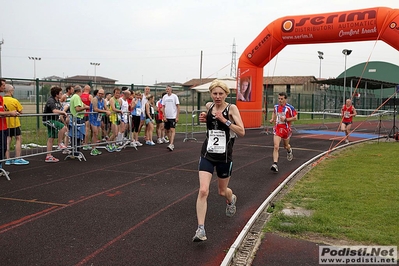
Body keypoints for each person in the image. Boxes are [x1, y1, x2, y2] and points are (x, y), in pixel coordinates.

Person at [192, 80, 245, 242]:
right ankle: (200, 229)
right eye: (214, 93)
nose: (217, 96)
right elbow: (210, 122)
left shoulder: (232, 109)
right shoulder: (209, 107)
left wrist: (225, 121)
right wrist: (204, 118)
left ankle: (231, 198)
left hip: (224, 157)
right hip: (207, 154)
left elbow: (242, 131)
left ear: (226, 94)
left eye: (220, 93)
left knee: (222, 191)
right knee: (203, 190)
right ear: (211, 94)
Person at [269, 92, 297, 173]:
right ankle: (275, 164)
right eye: (279, 99)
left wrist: (286, 120)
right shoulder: (276, 107)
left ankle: (289, 150)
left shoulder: (290, 108)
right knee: (276, 146)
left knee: (286, 146)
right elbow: (274, 113)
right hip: (277, 128)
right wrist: (272, 119)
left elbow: (295, 118)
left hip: (286, 129)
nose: (280, 100)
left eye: (282, 99)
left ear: (285, 99)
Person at [3, 84, 29, 165]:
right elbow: (20, 111)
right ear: (10, 91)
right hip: (14, 123)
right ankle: (17, 158)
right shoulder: (14, 101)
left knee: (7, 140)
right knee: (18, 138)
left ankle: (7, 159)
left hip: (5, 123)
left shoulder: (2, 100)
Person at [42, 86, 69, 163]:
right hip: (48, 120)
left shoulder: (57, 101)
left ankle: (48, 156)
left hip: (53, 119)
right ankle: (60, 143)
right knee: (63, 127)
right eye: (60, 93)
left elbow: (60, 107)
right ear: (56, 94)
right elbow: (54, 110)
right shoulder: (51, 100)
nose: (62, 94)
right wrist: (63, 112)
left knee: (51, 137)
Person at [0, 79, 20, 175]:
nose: (4, 87)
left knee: (4, 145)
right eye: (3, 85)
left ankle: (3, 164)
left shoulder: (1, 98)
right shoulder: (13, 100)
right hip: (9, 125)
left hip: (4, 126)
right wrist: (10, 113)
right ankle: (15, 158)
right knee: (16, 139)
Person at [69, 86, 90, 154]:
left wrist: (87, 107)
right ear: (80, 91)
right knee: (77, 136)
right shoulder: (76, 97)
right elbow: (77, 108)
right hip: (77, 118)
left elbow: (83, 105)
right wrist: (85, 108)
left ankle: (75, 151)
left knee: (75, 136)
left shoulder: (75, 97)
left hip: (76, 118)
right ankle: (76, 151)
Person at [89, 89, 110, 156]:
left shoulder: (103, 100)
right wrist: (105, 111)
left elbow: (105, 107)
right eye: (99, 93)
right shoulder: (95, 99)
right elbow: (95, 109)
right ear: (97, 93)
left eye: (102, 94)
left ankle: (94, 147)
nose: (100, 95)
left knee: (97, 133)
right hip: (93, 117)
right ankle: (93, 149)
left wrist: (108, 111)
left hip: (98, 118)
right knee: (95, 132)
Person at [162, 85, 180, 151]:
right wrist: (164, 116)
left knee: (172, 130)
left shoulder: (174, 96)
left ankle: (171, 143)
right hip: (167, 116)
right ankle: (170, 143)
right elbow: (163, 107)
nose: (167, 90)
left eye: (168, 89)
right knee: (167, 130)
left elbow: (178, 106)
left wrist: (177, 116)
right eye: (166, 89)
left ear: (171, 90)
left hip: (173, 116)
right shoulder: (164, 97)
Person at [80, 85, 93, 150]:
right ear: (89, 89)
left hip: (81, 114)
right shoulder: (90, 96)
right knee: (87, 129)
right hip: (88, 114)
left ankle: (82, 142)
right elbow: (93, 105)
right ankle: (85, 143)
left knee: (81, 128)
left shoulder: (80, 95)